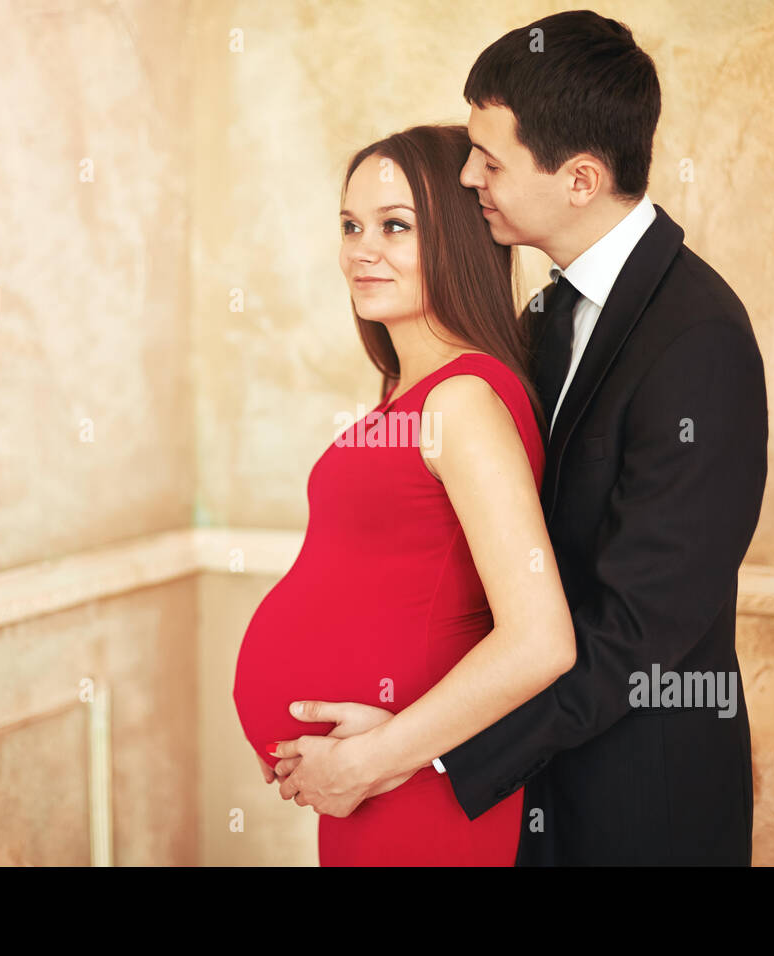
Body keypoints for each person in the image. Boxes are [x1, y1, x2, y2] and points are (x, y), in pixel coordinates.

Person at [273, 10, 769, 866]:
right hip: (523, 796)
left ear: (579, 179)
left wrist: (406, 757)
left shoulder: (700, 336)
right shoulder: (541, 319)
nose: (468, 177)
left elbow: (638, 624)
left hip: (637, 803)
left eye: (490, 160)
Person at [232, 123, 577, 865]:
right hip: (369, 783)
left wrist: (373, 756)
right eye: (351, 226)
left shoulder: (463, 403)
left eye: (394, 226)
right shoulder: (409, 393)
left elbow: (540, 640)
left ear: (455, 239)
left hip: (415, 789)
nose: (362, 248)